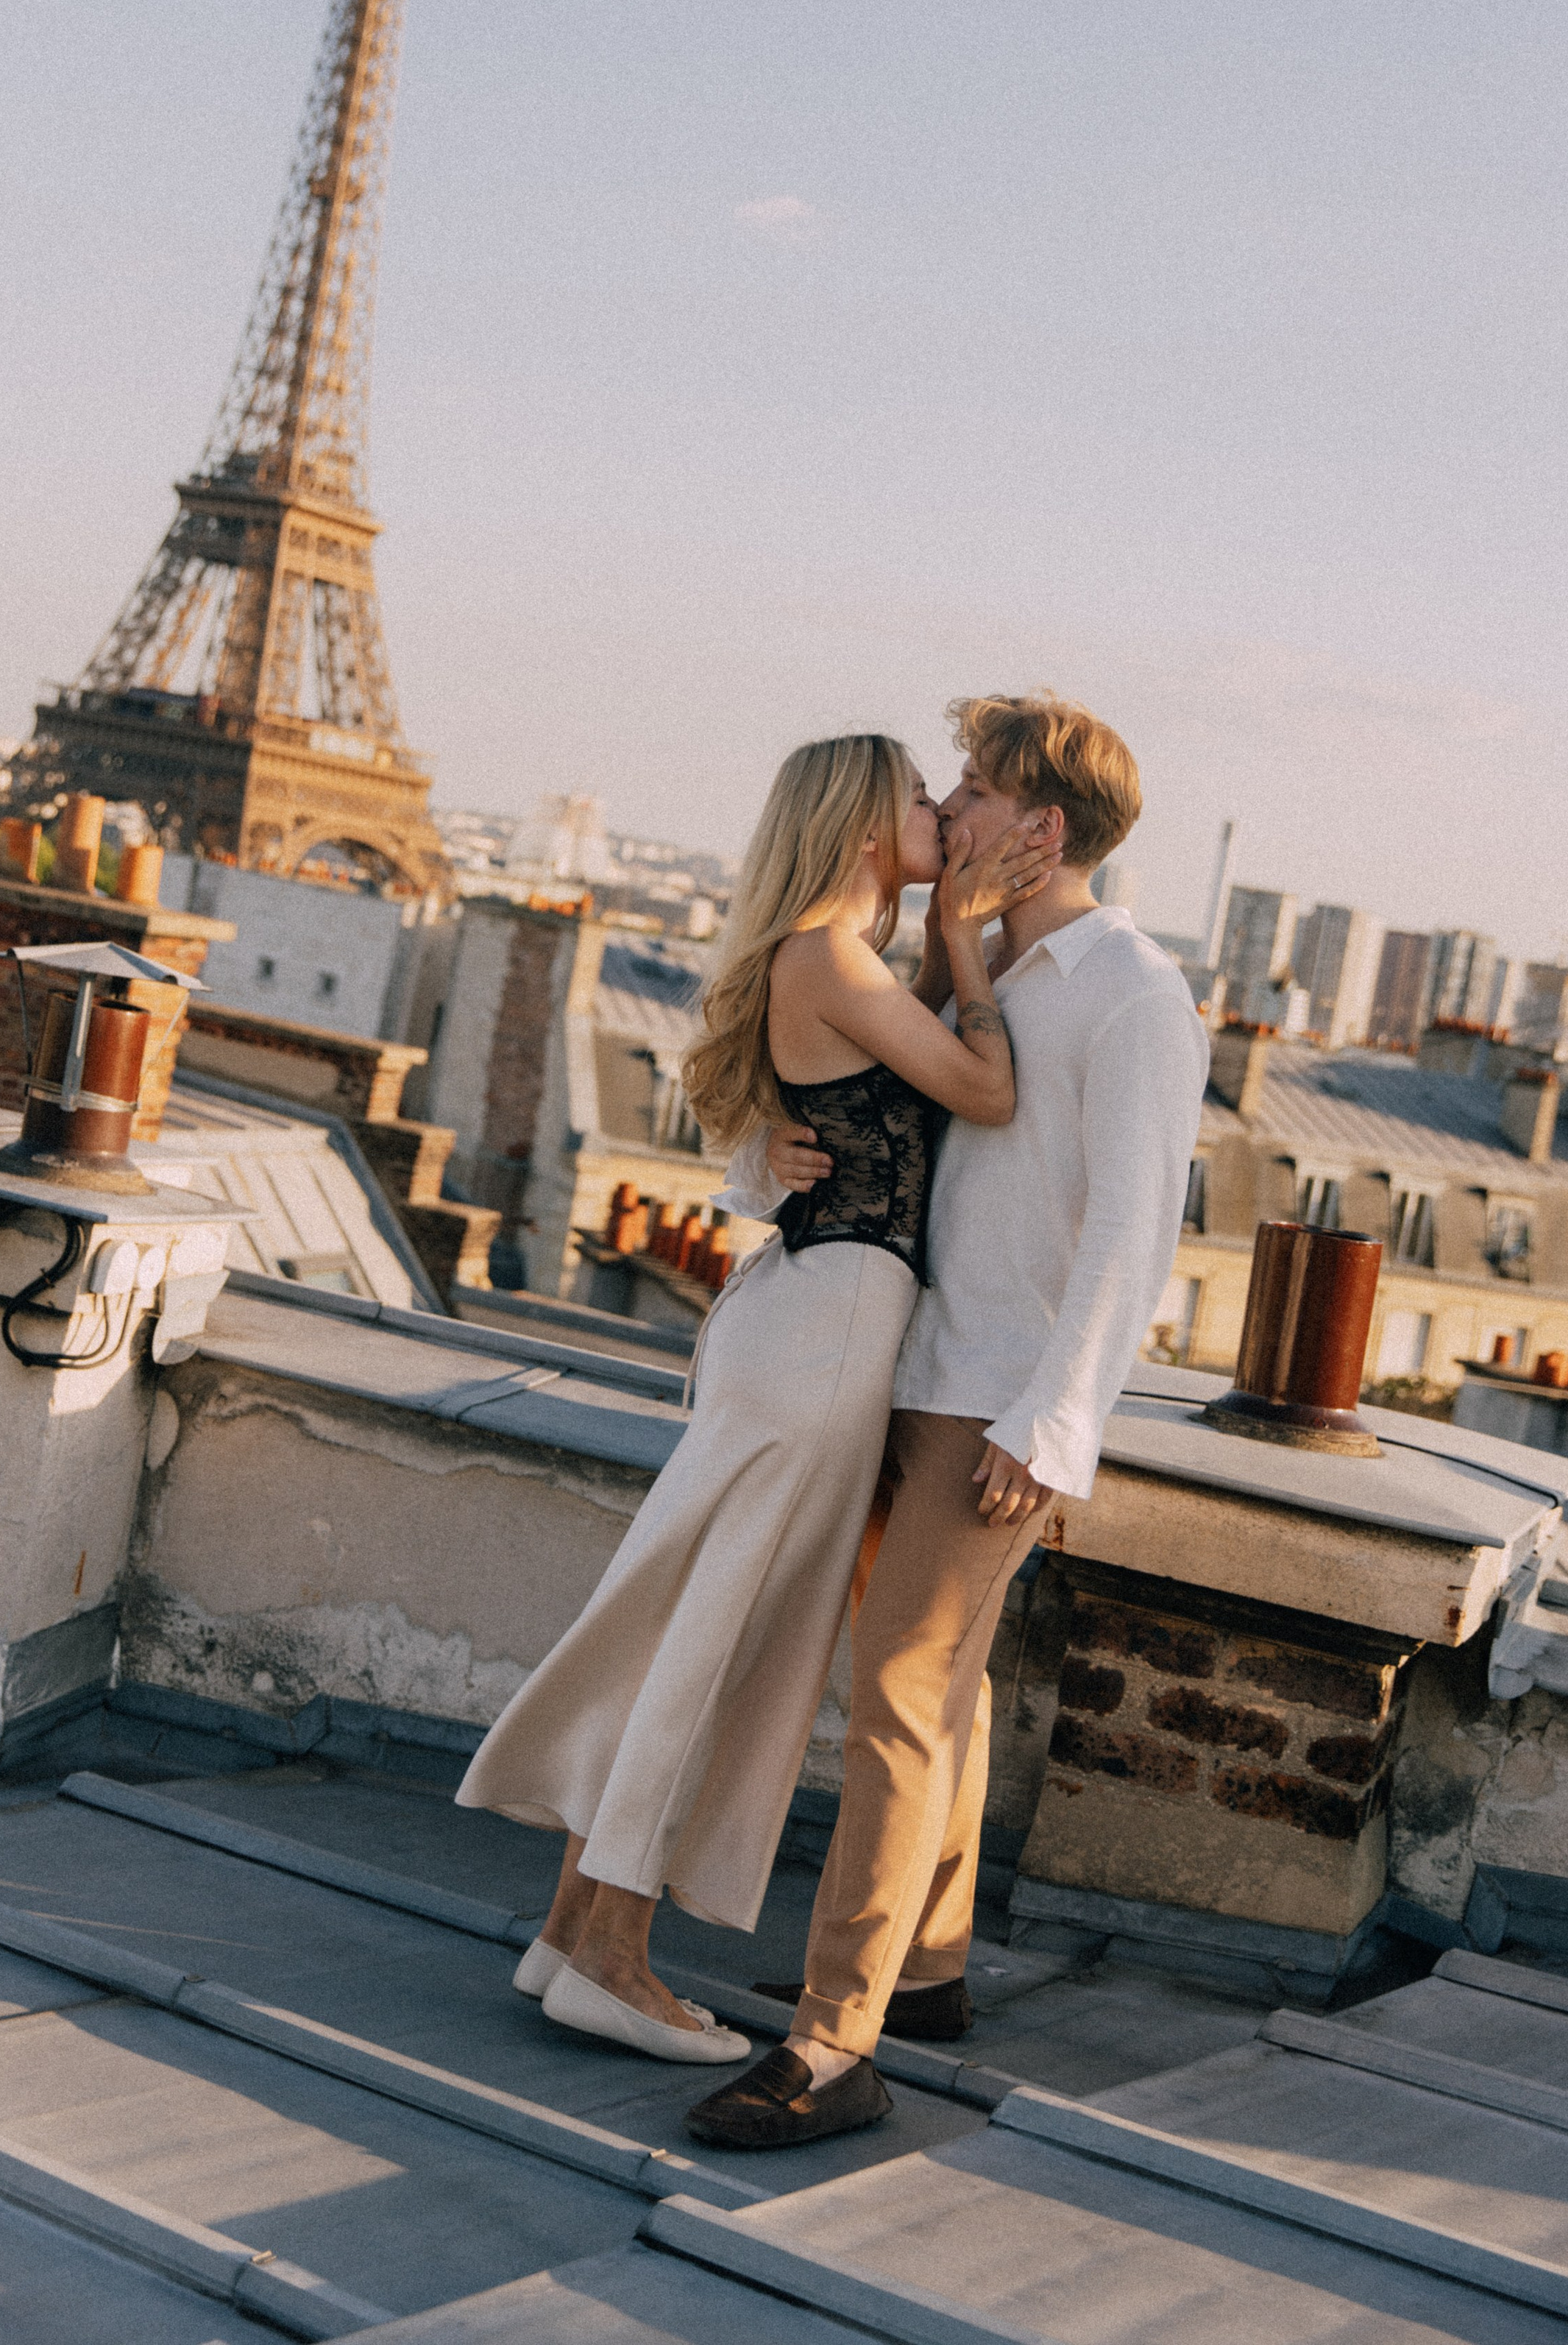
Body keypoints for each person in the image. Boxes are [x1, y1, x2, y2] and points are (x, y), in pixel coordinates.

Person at [455, 732, 1051, 2066]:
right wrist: (967, 937)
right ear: (855, 820)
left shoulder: (828, 960)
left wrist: (763, 1159)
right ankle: (611, 1958)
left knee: (687, 1628)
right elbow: (989, 1090)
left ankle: (570, 1935)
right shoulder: (836, 958)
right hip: (828, 1333)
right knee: (711, 1649)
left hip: (809, 1319)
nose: (941, 815)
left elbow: (808, 1127)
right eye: (917, 796)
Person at [687, 692, 1209, 2148]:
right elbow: (855, 1114)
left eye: (974, 791)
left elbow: (1131, 1229)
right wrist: (757, 1161)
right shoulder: (965, 962)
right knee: (942, 1690)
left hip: (993, 1400)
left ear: (1040, 829)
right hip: (896, 1368)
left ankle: (829, 2040)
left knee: (897, 1701)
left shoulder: (1130, 993)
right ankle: (923, 1966)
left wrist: (1055, 1420)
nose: (949, 811)